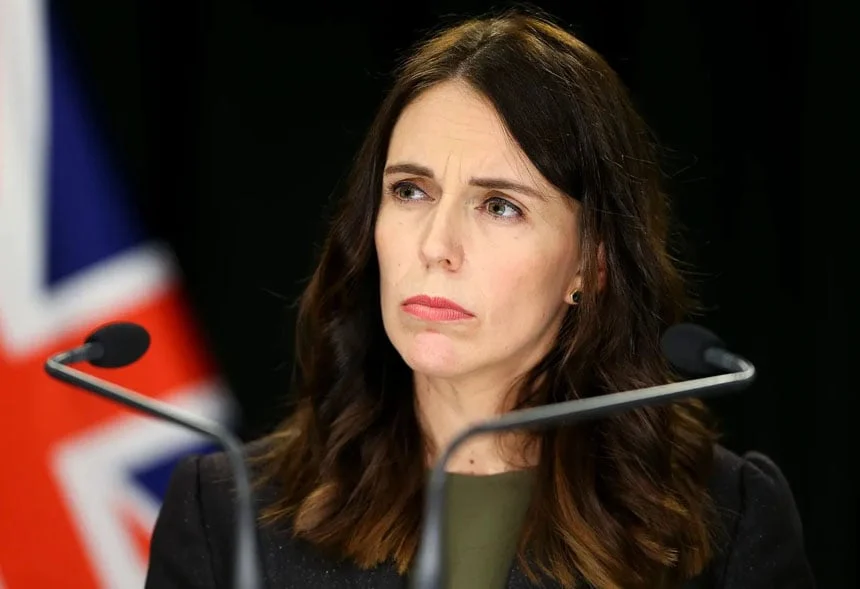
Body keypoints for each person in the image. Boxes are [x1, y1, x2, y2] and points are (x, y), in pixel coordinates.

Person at [145, 8, 815, 589]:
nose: (437, 245)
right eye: (411, 191)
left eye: (499, 205)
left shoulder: (725, 515)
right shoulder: (225, 510)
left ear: (591, 265)